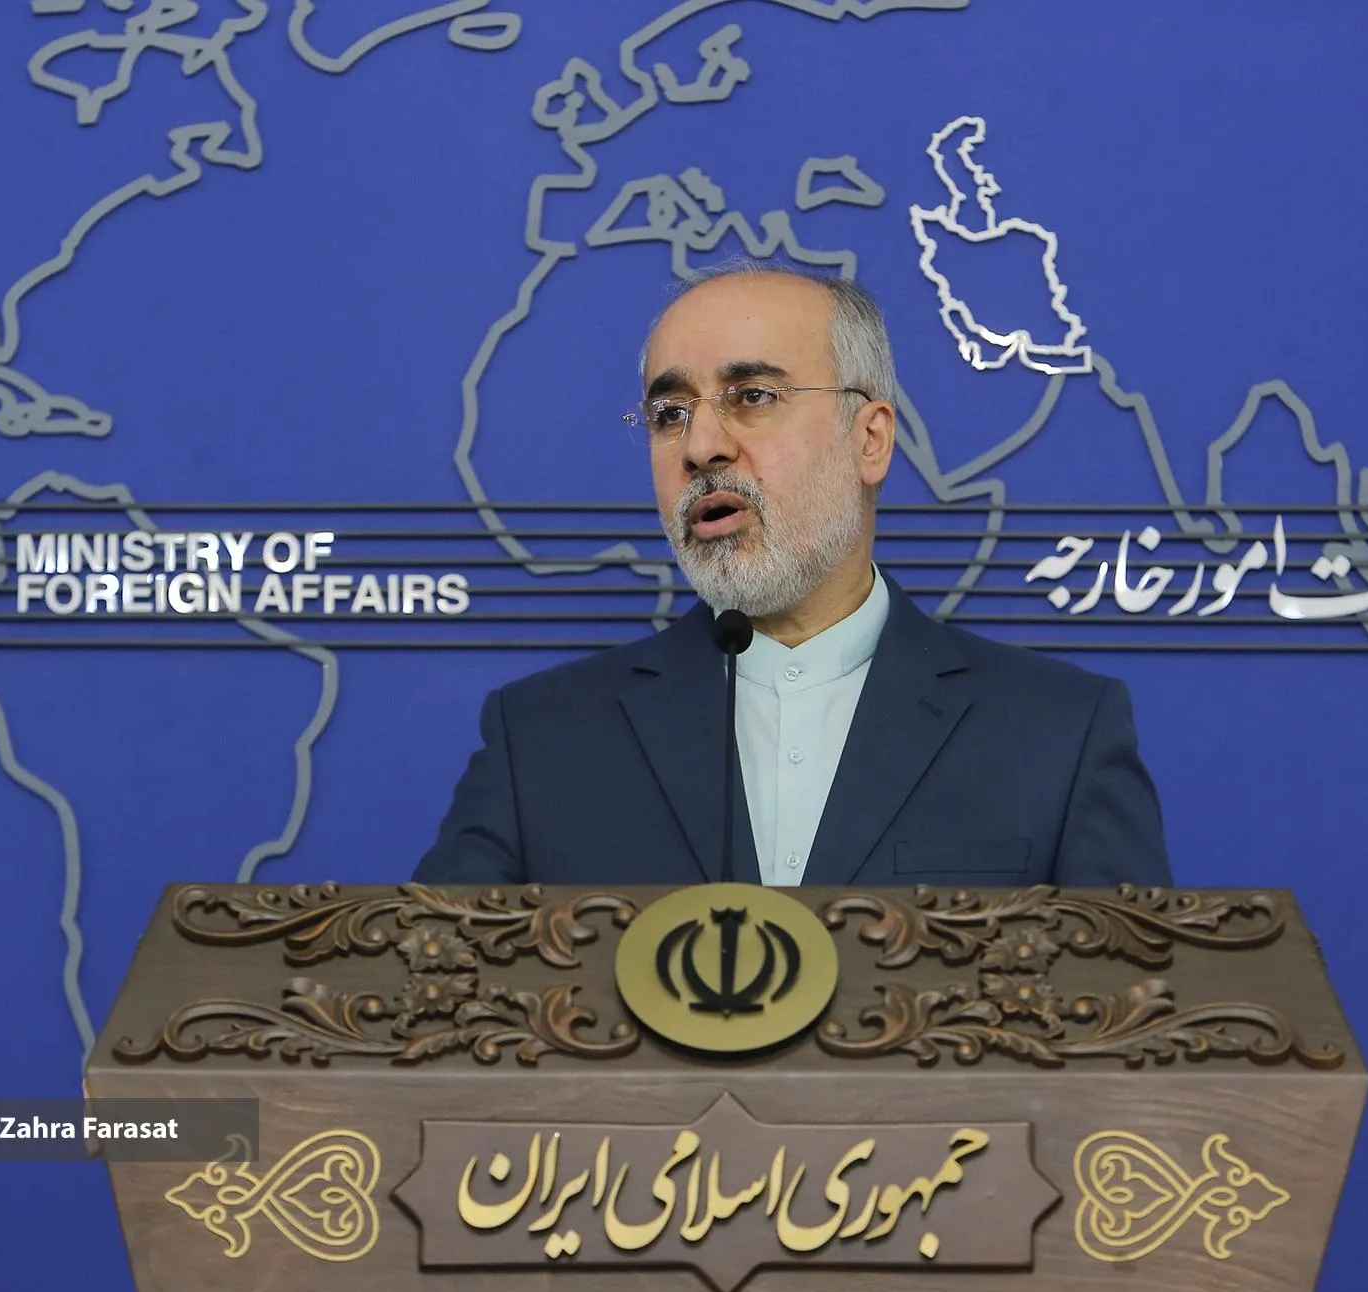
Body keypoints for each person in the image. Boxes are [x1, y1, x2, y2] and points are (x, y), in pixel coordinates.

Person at [414, 263, 1171, 888]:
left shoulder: (1057, 735)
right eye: (670, 413)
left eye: (753, 397)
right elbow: (429, 993)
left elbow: (1129, 1009)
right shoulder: (540, 740)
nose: (700, 446)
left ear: (870, 440)